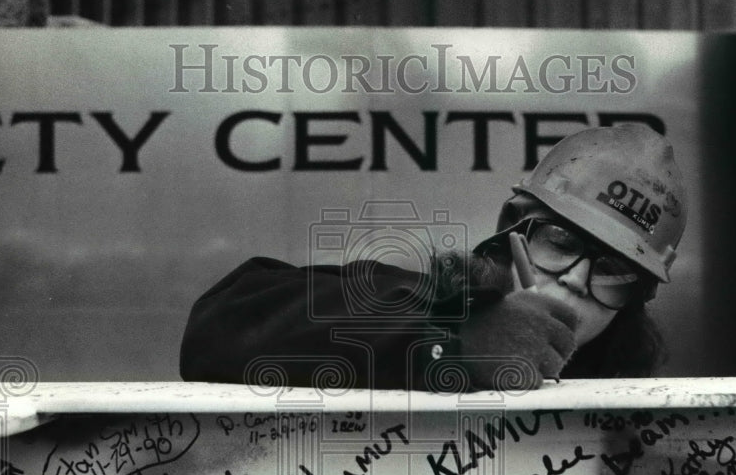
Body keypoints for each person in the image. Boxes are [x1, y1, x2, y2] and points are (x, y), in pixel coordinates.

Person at [180, 123, 687, 391]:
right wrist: (448, 341)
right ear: (514, 234)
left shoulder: (629, 406)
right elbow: (218, 325)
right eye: (560, 240)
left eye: (614, 271)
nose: (578, 278)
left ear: (636, 299)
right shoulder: (421, 306)